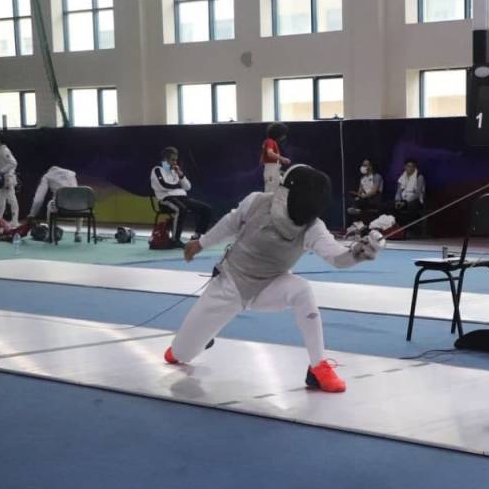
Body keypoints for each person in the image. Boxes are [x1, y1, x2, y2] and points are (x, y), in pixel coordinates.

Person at [163, 165, 384, 391]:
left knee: (302, 290)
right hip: (230, 284)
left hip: (269, 286)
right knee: (179, 354)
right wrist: (201, 243)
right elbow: (229, 223)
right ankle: (197, 339)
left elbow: (336, 257)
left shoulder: (312, 227)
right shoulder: (257, 202)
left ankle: (318, 367)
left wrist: (356, 254)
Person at [150, 146, 213, 247]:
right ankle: (175, 240)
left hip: (183, 198)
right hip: (166, 199)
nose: (175, 162)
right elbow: (163, 185)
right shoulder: (157, 170)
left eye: (176, 160)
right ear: (165, 159)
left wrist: (180, 175)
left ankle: (196, 236)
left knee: (207, 209)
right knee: (181, 209)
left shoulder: (175, 171)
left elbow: (188, 187)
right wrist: (178, 186)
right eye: (172, 160)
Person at [28, 166, 84, 243]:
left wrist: (32, 214)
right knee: (78, 203)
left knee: (50, 204)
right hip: (76, 207)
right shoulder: (71, 174)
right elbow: (74, 192)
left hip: (60, 206)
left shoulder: (47, 176)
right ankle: (78, 233)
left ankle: (50, 234)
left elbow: (39, 198)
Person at [394, 159, 425, 231]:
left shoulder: (419, 176)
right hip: (403, 199)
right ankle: (396, 228)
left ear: (415, 167)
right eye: (408, 166)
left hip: (415, 200)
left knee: (409, 207)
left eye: (412, 166)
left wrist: (405, 202)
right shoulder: (402, 176)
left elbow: (417, 194)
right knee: (391, 205)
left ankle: (408, 230)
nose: (410, 168)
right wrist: (397, 201)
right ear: (405, 167)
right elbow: (398, 192)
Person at [262, 122, 291, 192]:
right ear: (278, 134)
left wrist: (279, 172)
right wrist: (283, 159)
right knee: (270, 191)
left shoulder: (273, 142)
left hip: (273, 169)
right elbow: (270, 153)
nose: (285, 136)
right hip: (271, 170)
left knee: (279, 188)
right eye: (283, 134)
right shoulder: (270, 142)